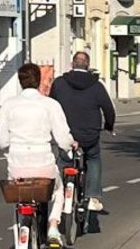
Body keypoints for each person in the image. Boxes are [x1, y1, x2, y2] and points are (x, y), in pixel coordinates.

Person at [0, 63, 76, 248]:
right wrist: (68, 146)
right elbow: (63, 138)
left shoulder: (9, 105)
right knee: (58, 190)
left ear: (20, 82)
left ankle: (18, 238)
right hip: (43, 164)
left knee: (19, 196)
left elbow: (0, 139)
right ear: (39, 81)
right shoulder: (50, 105)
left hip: (17, 166)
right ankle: (54, 227)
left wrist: (14, 146)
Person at [49, 51, 116, 212]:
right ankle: (93, 196)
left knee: (64, 159)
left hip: (66, 134)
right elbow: (108, 109)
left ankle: (56, 191)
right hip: (89, 135)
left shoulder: (59, 83)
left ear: (72, 65)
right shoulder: (97, 85)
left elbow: (50, 106)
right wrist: (109, 125)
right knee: (93, 158)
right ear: (88, 66)